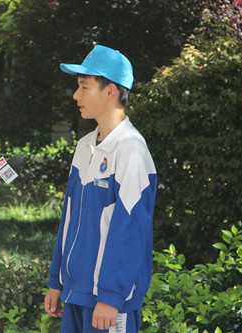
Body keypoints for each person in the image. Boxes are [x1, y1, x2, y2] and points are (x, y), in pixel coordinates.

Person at [44, 45, 157, 332]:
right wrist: (56, 281)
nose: (76, 95)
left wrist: (111, 295)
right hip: (76, 294)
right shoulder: (84, 146)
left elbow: (131, 229)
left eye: (84, 87)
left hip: (108, 303)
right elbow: (69, 219)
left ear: (111, 92)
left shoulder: (130, 149)